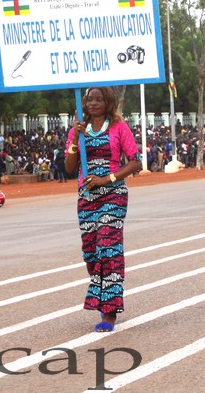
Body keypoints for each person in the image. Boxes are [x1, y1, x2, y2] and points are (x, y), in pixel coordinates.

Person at [64, 87, 142, 332]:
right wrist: (75, 140)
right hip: (87, 197)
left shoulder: (119, 128)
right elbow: (68, 169)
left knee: (108, 248)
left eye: (99, 99)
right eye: (89, 99)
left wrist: (107, 179)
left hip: (113, 195)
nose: (93, 103)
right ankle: (100, 298)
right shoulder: (77, 130)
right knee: (91, 252)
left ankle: (109, 311)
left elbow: (135, 162)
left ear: (108, 102)